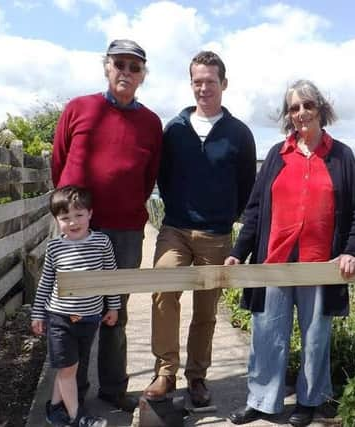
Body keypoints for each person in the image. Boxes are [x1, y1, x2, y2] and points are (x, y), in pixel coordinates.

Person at [226, 79, 355, 426]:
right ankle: (261, 400)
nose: (301, 113)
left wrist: (352, 251)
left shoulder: (341, 155)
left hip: (321, 265)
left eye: (307, 105)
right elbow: (256, 211)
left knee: (316, 336)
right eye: (294, 108)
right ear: (288, 116)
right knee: (266, 333)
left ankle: (310, 400)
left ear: (321, 109)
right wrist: (238, 252)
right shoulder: (277, 155)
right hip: (274, 261)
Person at [52, 39, 163, 412]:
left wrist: (127, 205)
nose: (126, 72)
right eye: (120, 64)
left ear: (142, 76)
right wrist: (72, 214)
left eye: (135, 67)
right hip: (78, 229)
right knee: (73, 312)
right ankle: (75, 389)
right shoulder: (79, 108)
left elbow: (149, 178)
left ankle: (113, 388)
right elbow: (59, 162)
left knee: (116, 312)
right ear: (106, 67)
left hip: (126, 232)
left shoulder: (150, 123)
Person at [143, 50, 256, 406]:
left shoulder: (239, 133)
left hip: (216, 235)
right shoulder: (174, 129)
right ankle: (165, 372)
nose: (203, 88)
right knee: (163, 290)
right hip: (175, 229)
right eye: (197, 81)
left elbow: (247, 186)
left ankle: (197, 377)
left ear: (224, 83)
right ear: (190, 84)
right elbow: (162, 175)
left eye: (210, 81)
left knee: (206, 311)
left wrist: (224, 217)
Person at [31, 186, 120, 427]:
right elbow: (45, 283)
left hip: (90, 318)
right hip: (59, 317)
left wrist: (113, 307)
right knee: (68, 368)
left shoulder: (102, 242)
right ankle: (77, 417)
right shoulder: (54, 247)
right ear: (57, 220)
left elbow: (110, 278)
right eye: (65, 218)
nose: (73, 222)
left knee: (70, 367)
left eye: (79, 215)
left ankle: (53, 409)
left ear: (90, 214)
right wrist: (38, 313)